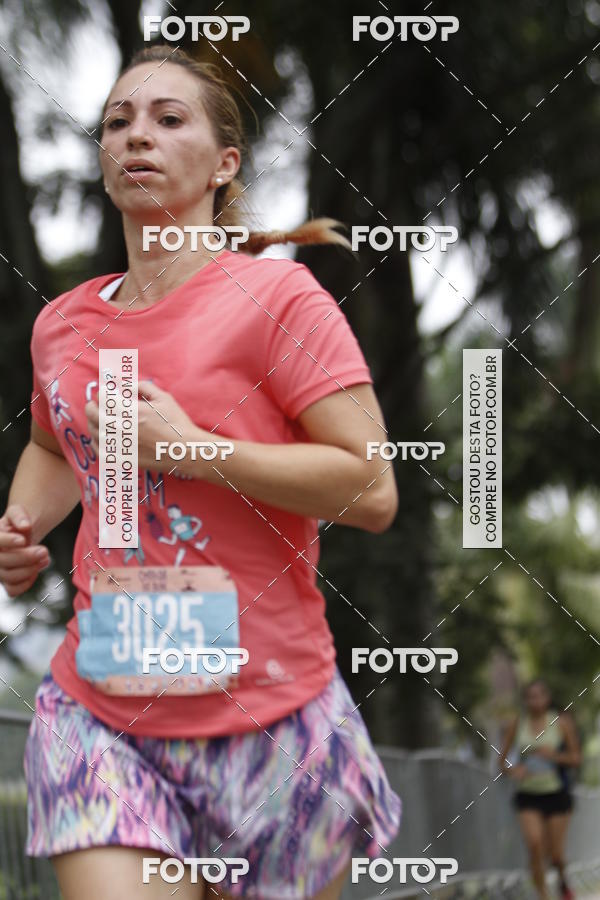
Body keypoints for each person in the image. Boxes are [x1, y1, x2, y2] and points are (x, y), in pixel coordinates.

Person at [0, 46, 402, 900]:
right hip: (104, 707)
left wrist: (190, 449)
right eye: (118, 122)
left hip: (273, 717)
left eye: (167, 119)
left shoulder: (280, 302)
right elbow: (52, 444)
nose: (136, 136)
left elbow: (371, 488)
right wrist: (22, 526)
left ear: (226, 165)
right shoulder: (63, 325)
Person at [499, 679, 581, 900]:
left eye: (539, 696)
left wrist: (553, 755)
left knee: (555, 855)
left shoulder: (561, 722)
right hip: (528, 794)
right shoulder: (517, 723)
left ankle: (563, 880)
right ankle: (543, 895)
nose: (535, 701)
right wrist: (513, 770)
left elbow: (575, 758)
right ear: (525, 700)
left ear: (547, 698)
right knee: (534, 845)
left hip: (555, 794)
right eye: (530, 696)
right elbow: (502, 761)